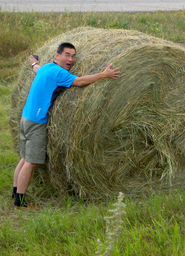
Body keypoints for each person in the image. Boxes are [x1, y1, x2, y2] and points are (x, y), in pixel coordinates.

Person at [12, 42, 120, 209]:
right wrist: (104, 75)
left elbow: (36, 69)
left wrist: (33, 62)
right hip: (36, 122)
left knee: (24, 157)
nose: (71, 59)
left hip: (25, 118)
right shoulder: (59, 73)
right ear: (57, 56)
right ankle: (19, 202)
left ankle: (15, 191)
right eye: (67, 55)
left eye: (73, 56)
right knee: (31, 162)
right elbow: (80, 81)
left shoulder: (46, 68)